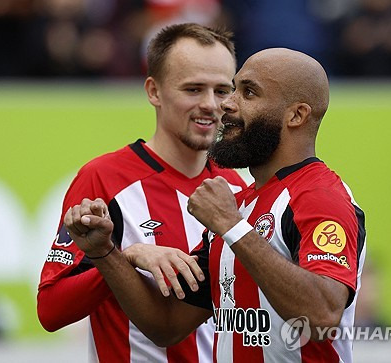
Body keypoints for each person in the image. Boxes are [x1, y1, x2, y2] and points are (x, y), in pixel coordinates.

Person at [64, 48, 366, 362]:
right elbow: (166, 325)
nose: (227, 103)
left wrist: (232, 226)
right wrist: (105, 252)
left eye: (248, 92)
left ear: (296, 115)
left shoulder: (319, 195)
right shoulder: (240, 205)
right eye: (233, 89)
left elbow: (322, 315)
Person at [37, 23, 246, 362]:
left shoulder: (239, 188)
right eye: (193, 89)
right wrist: (122, 257)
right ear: (154, 91)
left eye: (222, 90)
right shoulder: (103, 179)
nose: (211, 104)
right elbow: (51, 311)